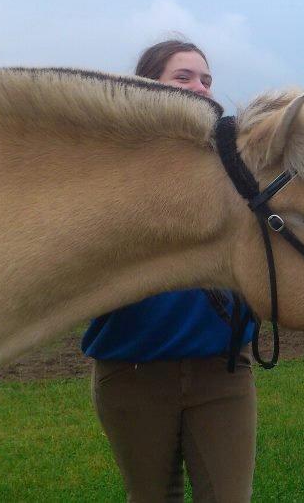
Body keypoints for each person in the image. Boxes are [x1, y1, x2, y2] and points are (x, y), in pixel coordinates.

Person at [82, 40, 257, 503]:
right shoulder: (106, 174)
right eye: (184, 78)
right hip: (132, 371)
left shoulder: (235, 169)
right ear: (147, 87)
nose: (201, 88)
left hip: (223, 370)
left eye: (207, 80)